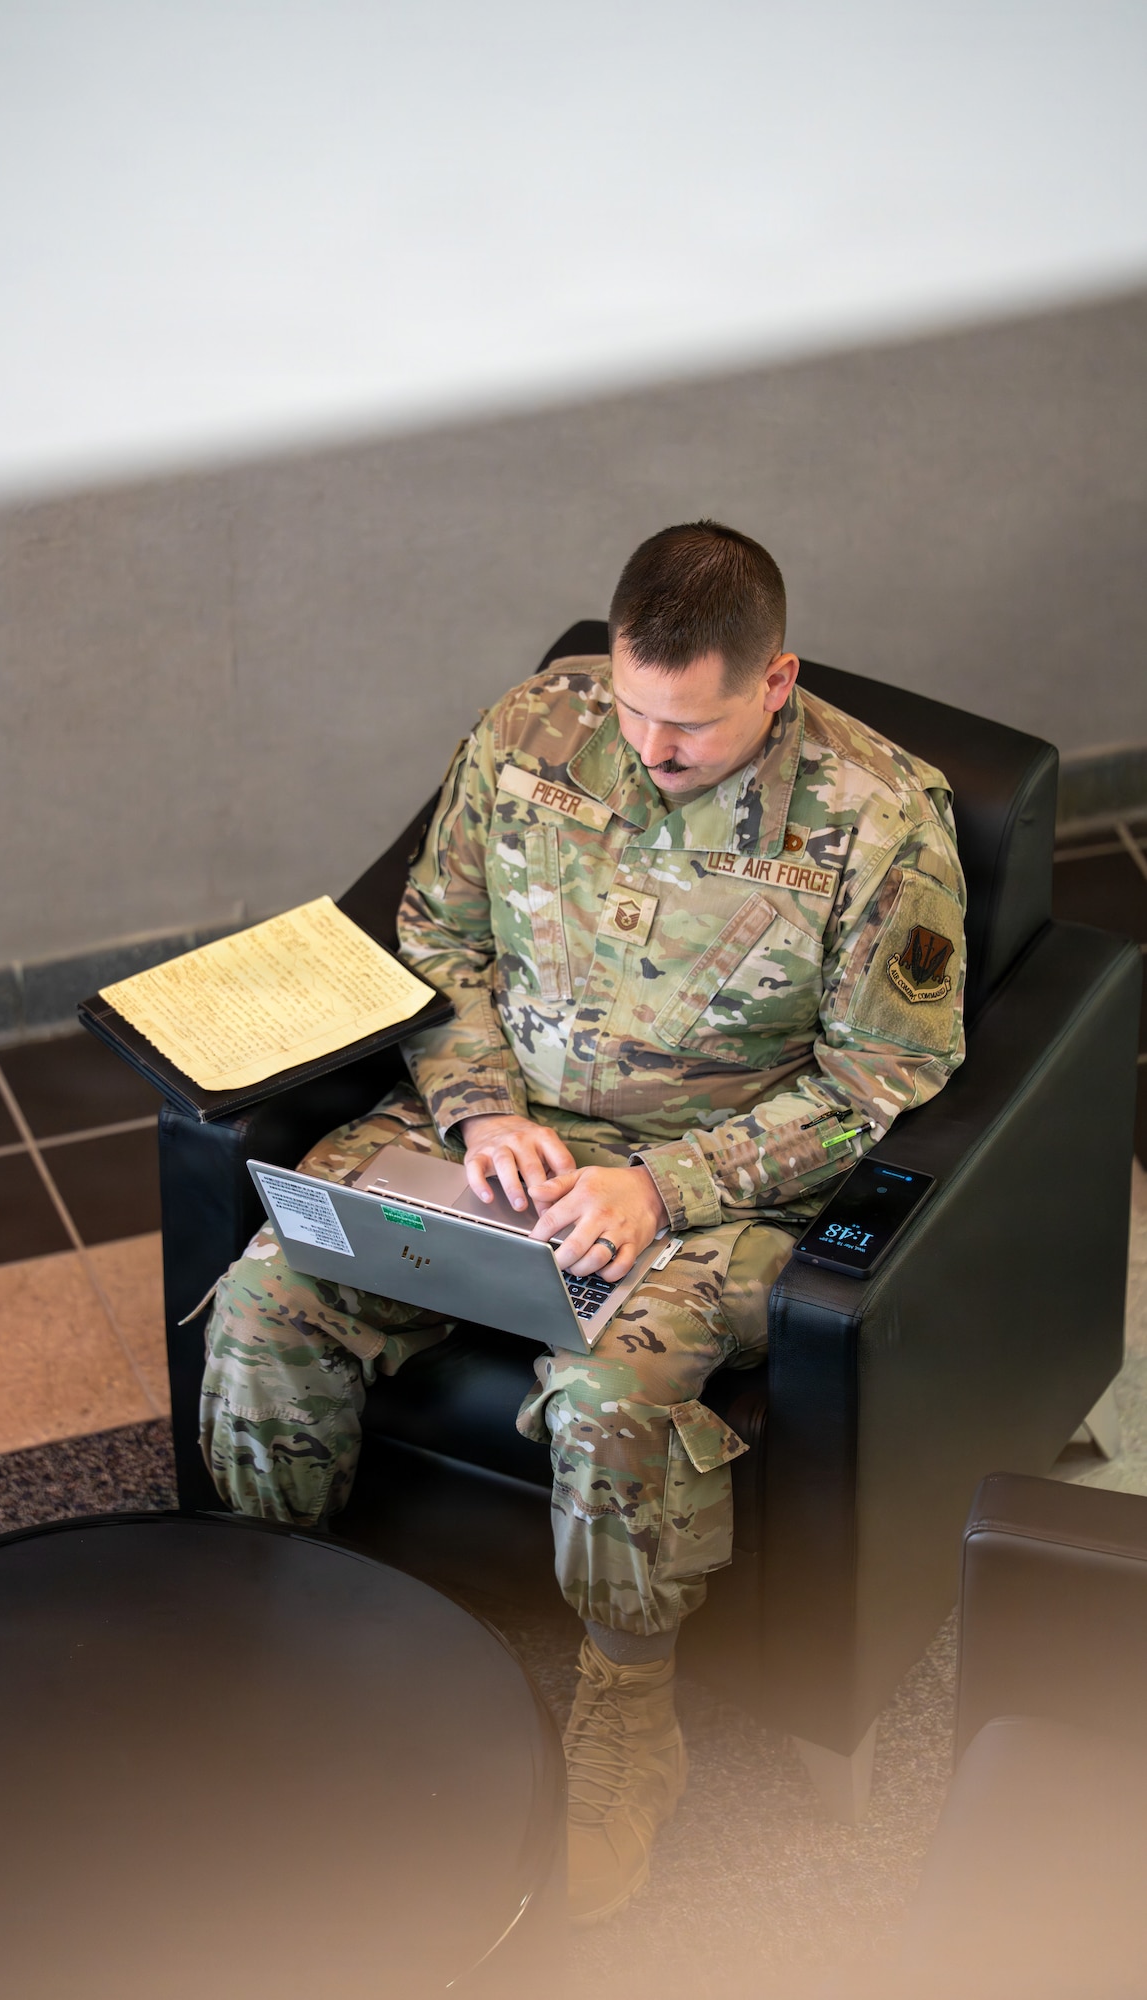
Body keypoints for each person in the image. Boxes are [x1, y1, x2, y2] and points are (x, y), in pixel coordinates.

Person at [199, 520, 967, 1923]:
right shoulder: (530, 730)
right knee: (265, 1302)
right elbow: (434, 933)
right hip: (490, 1145)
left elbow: (888, 1073)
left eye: (688, 725)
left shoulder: (875, 819)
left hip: (704, 1191)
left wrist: (657, 1189)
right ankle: (290, 1629)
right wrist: (486, 1112)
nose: (650, 747)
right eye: (631, 707)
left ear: (775, 679)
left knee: (610, 1402)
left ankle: (627, 1717)